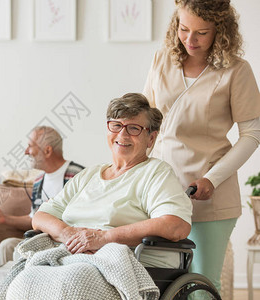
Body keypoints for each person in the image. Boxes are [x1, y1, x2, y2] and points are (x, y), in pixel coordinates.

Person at [143, 0, 260, 291]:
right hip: (161, 192)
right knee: (161, 285)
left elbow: (252, 133)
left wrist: (212, 178)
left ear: (220, 31)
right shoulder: (162, 60)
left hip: (208, 195)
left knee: (201, 287)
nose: (190, 40)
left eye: (202, 33)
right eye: (184, 29)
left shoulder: (236, 71)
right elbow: (146, 119)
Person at [33, 93, 192, 268]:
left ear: (151, 138)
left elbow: (176, 225)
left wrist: (104, 238)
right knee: (24, 278)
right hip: (71, 257)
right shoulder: (88, 175)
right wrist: (68, 234)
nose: (122, 134)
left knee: (69, 280)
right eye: (116, 126)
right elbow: (41, 216)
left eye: (133, 128)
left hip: (123, 262)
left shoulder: (156, 173)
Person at [0, 126, 84, 264]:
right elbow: (34, 218)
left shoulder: (77, 175)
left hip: (68, 241)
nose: (26, 152)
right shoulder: (39, 181)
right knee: (7, 245)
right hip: (41, 240)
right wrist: (5, 219)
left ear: (47, 150)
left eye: (30, 146)